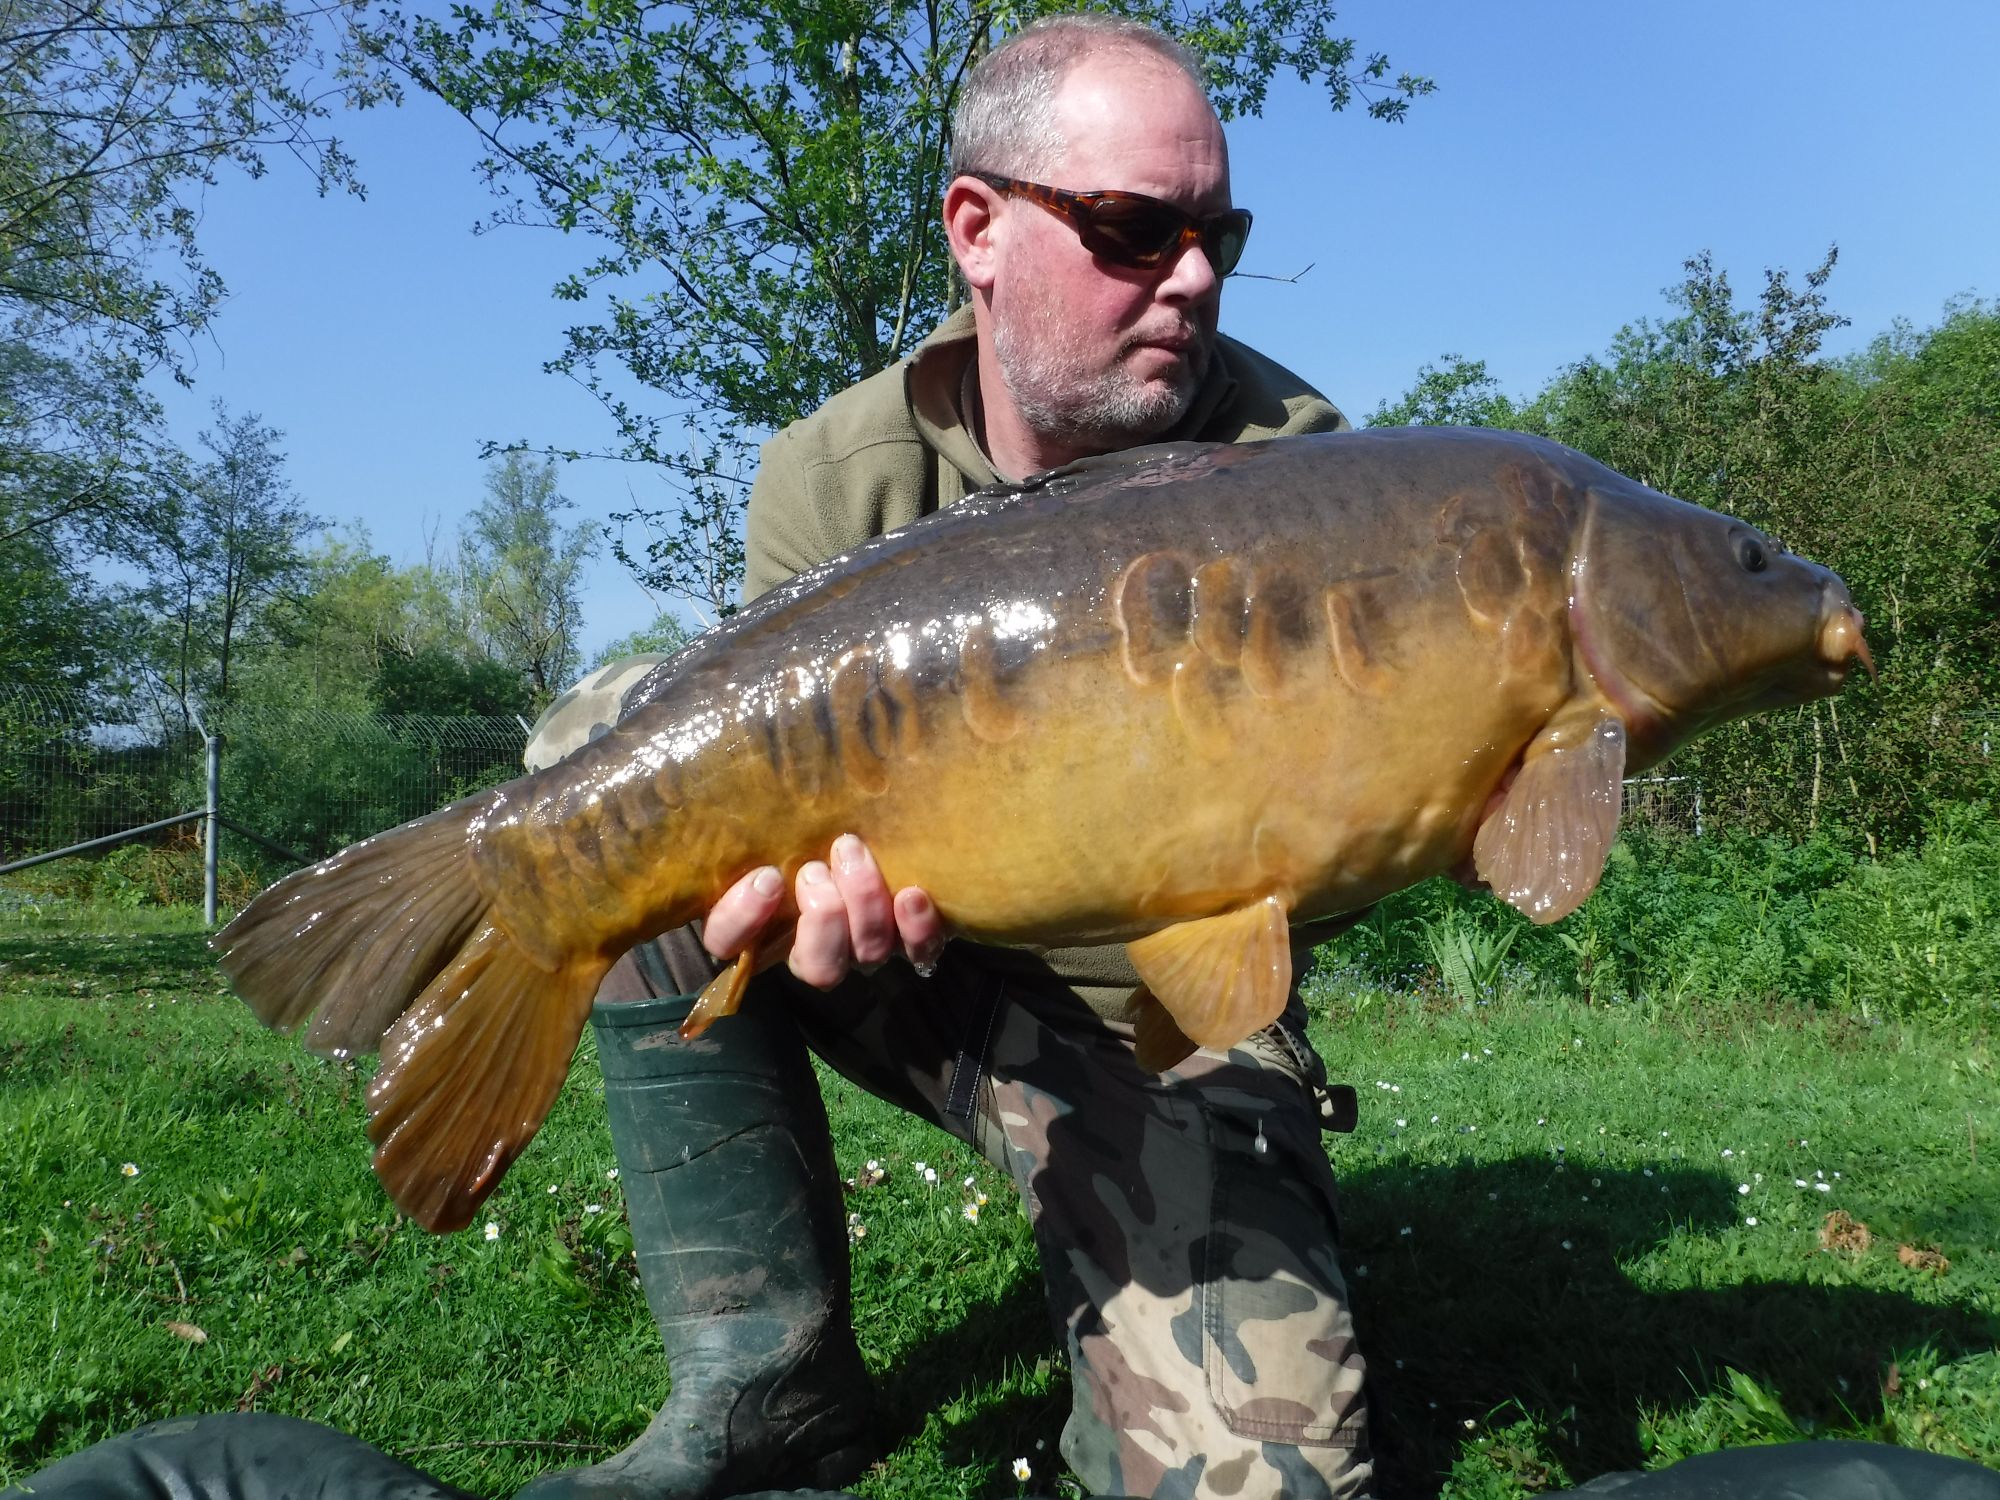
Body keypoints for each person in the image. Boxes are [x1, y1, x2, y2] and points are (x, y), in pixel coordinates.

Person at [516, 15, 1371, 1500]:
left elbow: (1340, 854)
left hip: (1155, 1018)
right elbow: (777, 862)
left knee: (1255, 1483)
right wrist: (795, 909)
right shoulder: (834, 476)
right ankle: (765, 1382)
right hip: (906, 963)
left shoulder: (1306, 482)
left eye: (1217, 235)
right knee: (612, 751)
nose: (1192, 277)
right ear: (977, 229)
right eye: (1133, 230)